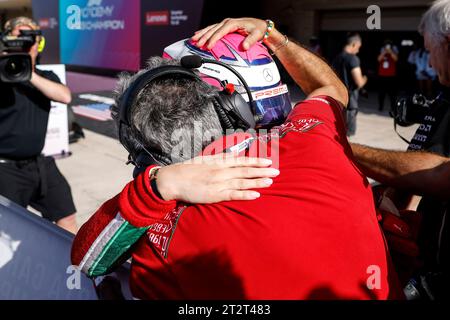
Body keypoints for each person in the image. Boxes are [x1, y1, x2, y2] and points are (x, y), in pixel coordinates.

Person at [71, 18, 403, 299]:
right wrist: (271, 32)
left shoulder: (162, 234)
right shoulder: (316, 138)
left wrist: (157, 187)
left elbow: (87, 261)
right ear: (235, 108)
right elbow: (333, 89)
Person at [351, 0, 450, 300]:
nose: (430, 64)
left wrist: (338, 148)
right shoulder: (445, 99)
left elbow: (436, 173)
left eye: (431, 51)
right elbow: (411, 174)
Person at [0, 17, 77, 234]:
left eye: (29, 38)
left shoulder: (45, 77)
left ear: (38, 43)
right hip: (5, 169)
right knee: (9, 230)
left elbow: (65, 96)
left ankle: (69, 268)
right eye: (17, 38)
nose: (24, 43)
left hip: (40, 164)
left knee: (66, 215)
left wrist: (28, 72)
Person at [332, 33, 367, 136]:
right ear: (353, 44)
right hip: (350, 102)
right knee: (347, 135)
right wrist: (365, 78)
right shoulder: (353, 59)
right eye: (358, 47)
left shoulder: (336, 58)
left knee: (337, 131)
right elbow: (359, 82)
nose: (358, 50)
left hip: (337, 99)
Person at [377, 40, 399, 112]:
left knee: (392, 94)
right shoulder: (382, 51)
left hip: (391, 76)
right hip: (382, 75)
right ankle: (380, 107)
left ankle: (393, 108)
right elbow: (378, 59)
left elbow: (396, 59)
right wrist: (384, 52)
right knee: (381, 93)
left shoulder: (393, 51)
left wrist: (390, 52)